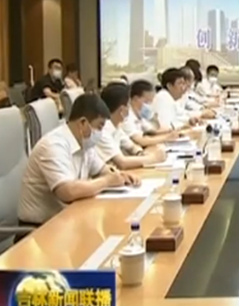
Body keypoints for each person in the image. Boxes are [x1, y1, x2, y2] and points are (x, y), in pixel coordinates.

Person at [18, 93, 140, 227]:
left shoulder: (84, 143)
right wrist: (107, 181)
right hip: (39, 229)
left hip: (67, 219)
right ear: (83, 123)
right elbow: (67, 191)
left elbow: (102, 170)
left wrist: (120, 176)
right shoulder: (53, 145)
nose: (100, 133)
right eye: (99, 127)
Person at [96, 83, 166, 169]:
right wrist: (153, 158)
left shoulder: (116, 126)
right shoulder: (102, 131)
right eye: (128, 105)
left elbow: (132, 147)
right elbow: (122, 163)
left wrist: (142, 154)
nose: (130, 108)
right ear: (122, 110)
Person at [120, 80, 180, 149]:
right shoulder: (127, 117)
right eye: (147, 101)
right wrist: (166, 137)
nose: (149, 105)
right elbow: (141, 141)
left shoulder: (139, 116)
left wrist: (172, 131)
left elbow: (153, 132)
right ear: (136, 99)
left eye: (150, 102)